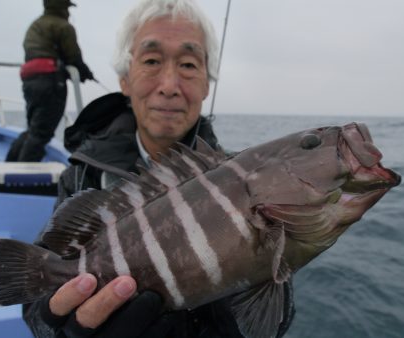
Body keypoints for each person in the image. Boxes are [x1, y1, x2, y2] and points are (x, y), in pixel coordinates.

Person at [23, 0, 296, 337]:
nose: (169, 85)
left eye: (188, 64)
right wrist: (60, 328)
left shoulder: (250, 185)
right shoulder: (81, 175)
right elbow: (36, 304)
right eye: (152, 61)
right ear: (125, 80)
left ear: (207, 85)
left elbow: (274, 316)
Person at [6, 0, 94, 162]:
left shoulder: (35, 25)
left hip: (29, 80)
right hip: (51, 81)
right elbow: (73, 58)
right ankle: (22, 177)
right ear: (62, 8)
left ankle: (9, 164)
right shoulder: (64, 27)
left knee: (33, 129)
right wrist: (85, 73)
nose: (68, 12)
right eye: (67, 7)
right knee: (41, 133)